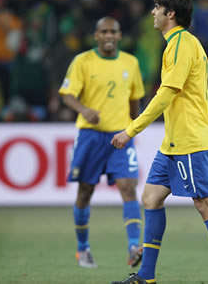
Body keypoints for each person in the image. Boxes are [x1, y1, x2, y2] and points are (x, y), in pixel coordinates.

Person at [110, 0, 208, 284]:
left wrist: (130, 129)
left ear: (171, 13)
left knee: (205, 203)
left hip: (187, 140)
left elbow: (166, 93)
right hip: (174, 141)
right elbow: (200, 96)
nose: (153, 13)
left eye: (157, 7)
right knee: (152, 197)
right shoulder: (178, 44)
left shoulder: (182, 43)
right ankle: (146, 276)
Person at [58, 17, 145, 268]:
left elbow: (134, 100)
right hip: (91, 136)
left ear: (119, 36)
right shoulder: (82, 61)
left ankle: (132, 246)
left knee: (128, 187)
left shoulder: (131, 62)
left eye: (113, 32)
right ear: (96, 35)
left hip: (120, 136)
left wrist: (134, 125)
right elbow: (67, 94)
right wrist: (84, 110)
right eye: (104, 31)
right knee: (85, 191)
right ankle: (82, 248)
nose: (108, 36)